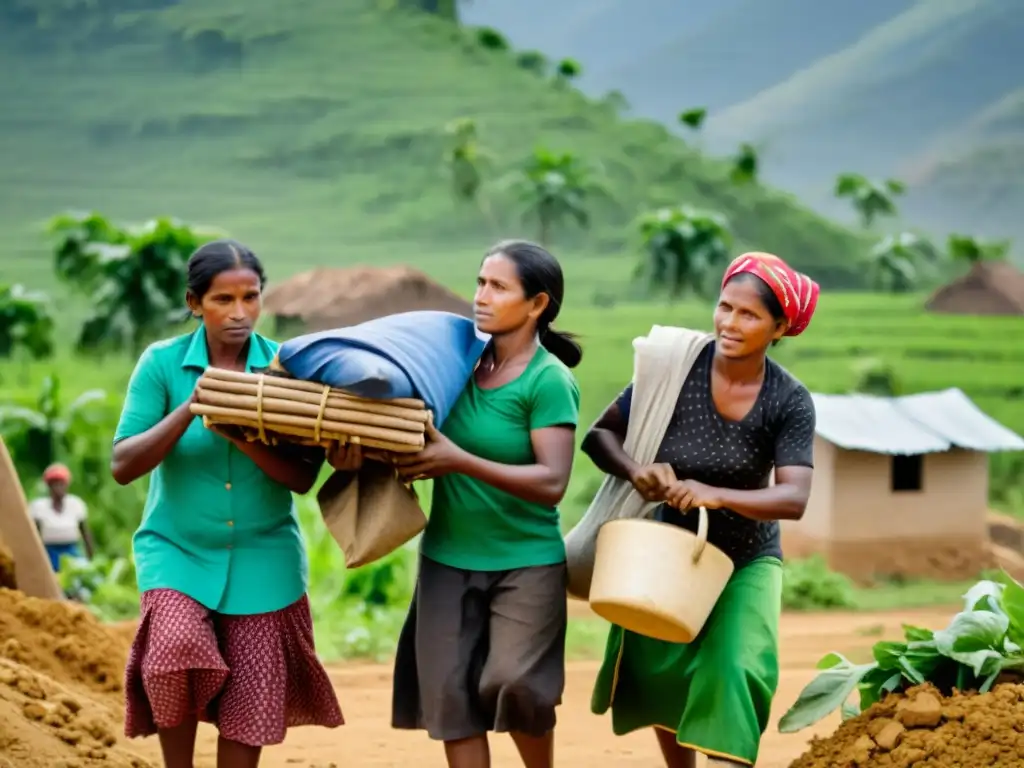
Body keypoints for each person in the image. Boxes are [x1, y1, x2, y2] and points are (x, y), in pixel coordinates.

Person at [111, 239, 343, 768]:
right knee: (171, 654)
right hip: (177, 550)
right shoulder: (163, 365)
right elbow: (123, 465)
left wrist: (241, 431)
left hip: (266, 556)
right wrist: (193, 408)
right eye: (222, 300)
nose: (239, 313)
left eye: (251, 297)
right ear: (195, 303)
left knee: (252, 697)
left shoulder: (288, 371)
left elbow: (302, 478)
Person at [583, 252, 820, 768]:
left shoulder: (789, 401)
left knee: (736, 670)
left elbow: (794, 499)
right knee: (663, 669)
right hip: (668, 549)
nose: (729, 324)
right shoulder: (675, 368)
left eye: (749, 315)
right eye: (725, 307)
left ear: (780, 327)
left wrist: (717, 494)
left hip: (745, 560)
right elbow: (600, 436)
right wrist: (635, 470)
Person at [384, 239, 582, 768]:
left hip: (526, 563)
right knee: (452, 702)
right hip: (447, 559)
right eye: (479, 282)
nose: (481, 296)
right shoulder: (454, 364)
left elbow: (552, 481)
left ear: (537, 304)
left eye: (498, 286)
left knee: (516, 684)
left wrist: (458, 460)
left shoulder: (548, 381)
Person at [29, 462, 95, 572]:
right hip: (49, 552)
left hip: (71, 551)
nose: (59, 488)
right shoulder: (39, 507)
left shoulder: (75, 504)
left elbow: (85, 533)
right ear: (49, 487)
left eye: (61, 484)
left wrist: (91, 559)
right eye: (55, 484)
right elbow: (35, 535)